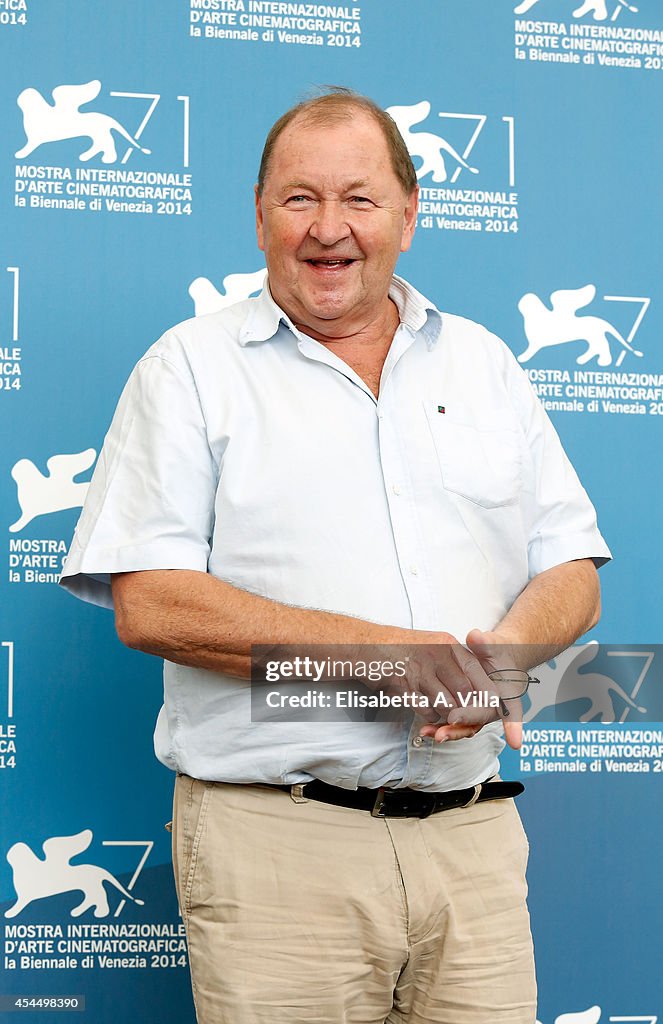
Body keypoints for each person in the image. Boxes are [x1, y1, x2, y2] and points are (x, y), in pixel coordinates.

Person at [61, 87, 611, 1024]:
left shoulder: (484, 366)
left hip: (473, 844)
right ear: (260, 213)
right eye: (299, 199)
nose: (328, 229)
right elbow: (151, 604)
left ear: (407, 212)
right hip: (279, 846)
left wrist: (500, 660)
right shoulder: (189, 368)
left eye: (358, 198)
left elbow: (570, 566)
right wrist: (389, 666)